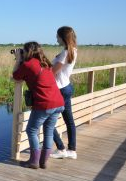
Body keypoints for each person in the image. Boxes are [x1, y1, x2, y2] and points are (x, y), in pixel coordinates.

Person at [12, 41, 65, 169]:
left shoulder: (28, 64)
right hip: (58, 102)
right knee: (48, 131)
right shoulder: (45, 63)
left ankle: (34, 161)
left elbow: (15, 77)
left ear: (28, 52)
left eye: (24, 51)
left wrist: (18, 59)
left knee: (31, 130)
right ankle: (43, 162)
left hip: (44, 103)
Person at [50, 26, 78, 159]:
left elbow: (52, 72)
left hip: (59, 90)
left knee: (47, 120)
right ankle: (72, 150)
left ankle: (61, 148)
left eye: (57, 36)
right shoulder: (73, 51)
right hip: (66, 87)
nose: (56, 38)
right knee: (69, 121)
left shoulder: (65, 53)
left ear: (63, 37)